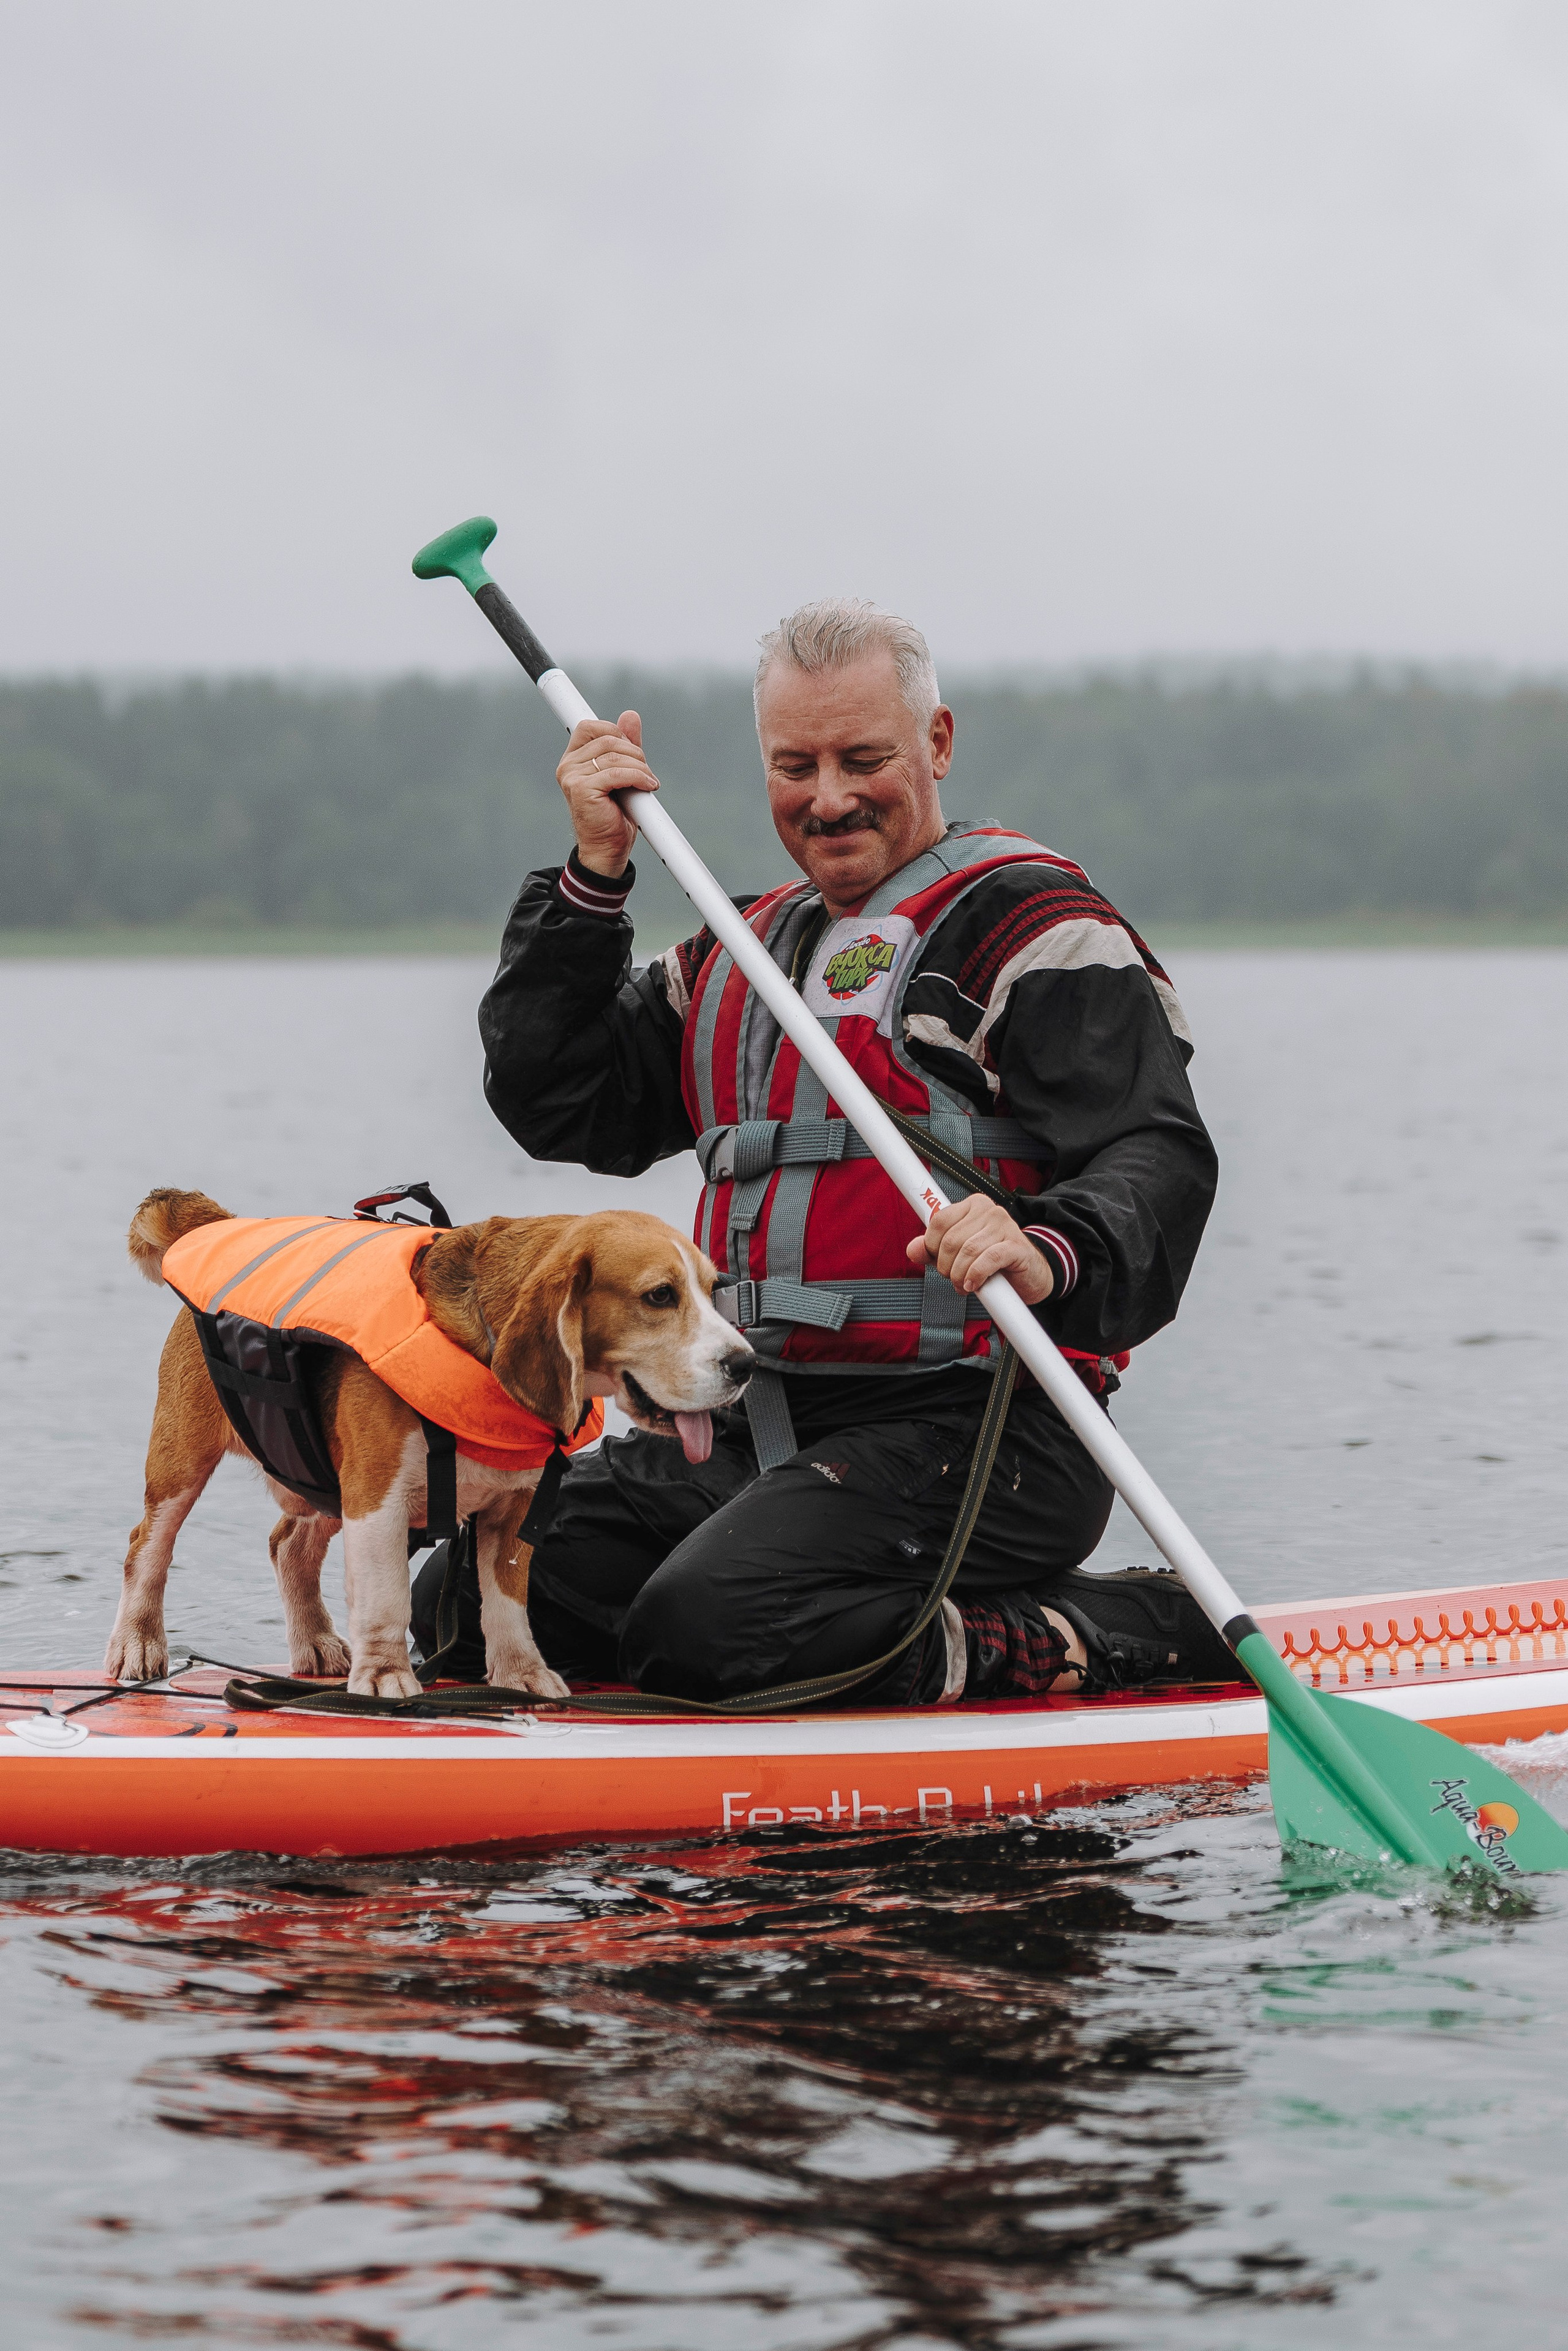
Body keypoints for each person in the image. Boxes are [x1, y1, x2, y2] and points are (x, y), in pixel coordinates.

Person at [416, 600, 1224, 1704]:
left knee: (706, 1628)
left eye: (864, 759)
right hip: (752, 1420)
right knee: (466, 1602)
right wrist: (594, 875)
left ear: (937, 742)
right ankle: (781, 1620)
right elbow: (558, 1098)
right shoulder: (738, 953)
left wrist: (1044, 1246)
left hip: (983, 1427)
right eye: (796, 766)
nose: (829, 797)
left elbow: (1157, 1156)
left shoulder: (1036, 931)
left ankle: (1093, 1628)